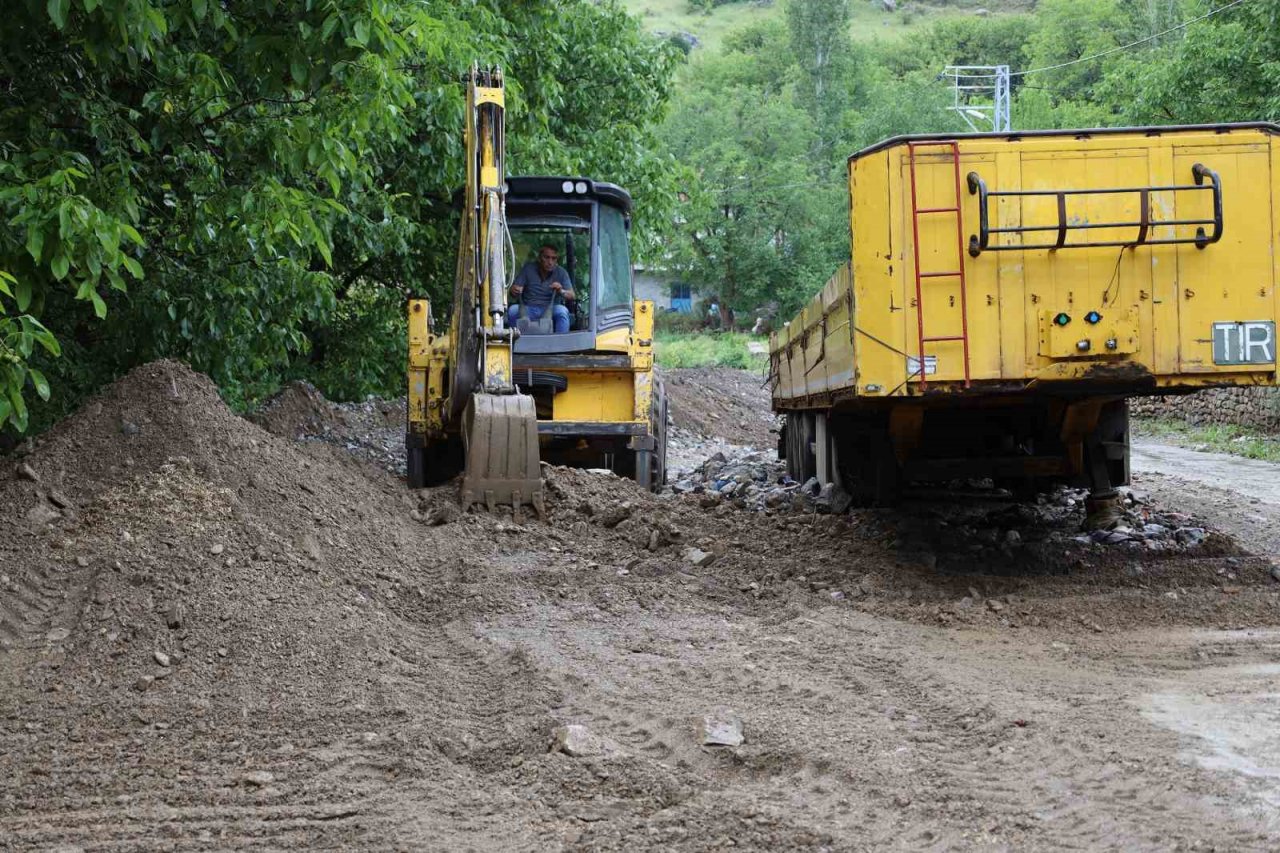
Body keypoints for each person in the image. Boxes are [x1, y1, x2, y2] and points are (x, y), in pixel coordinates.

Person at [508, 244, 574, 333]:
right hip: (529, 308)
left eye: (553, 258)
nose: (550, 262)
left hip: (551, 309)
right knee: (513, 310)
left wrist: (561, 290)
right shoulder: (528, 269)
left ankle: (560, 343)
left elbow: (572, 295)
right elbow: (513, 291)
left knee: (562, 311)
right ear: (539, 258)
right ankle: (514, 342)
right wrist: (514, 290)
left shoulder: (561, 273)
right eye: (546, 257)